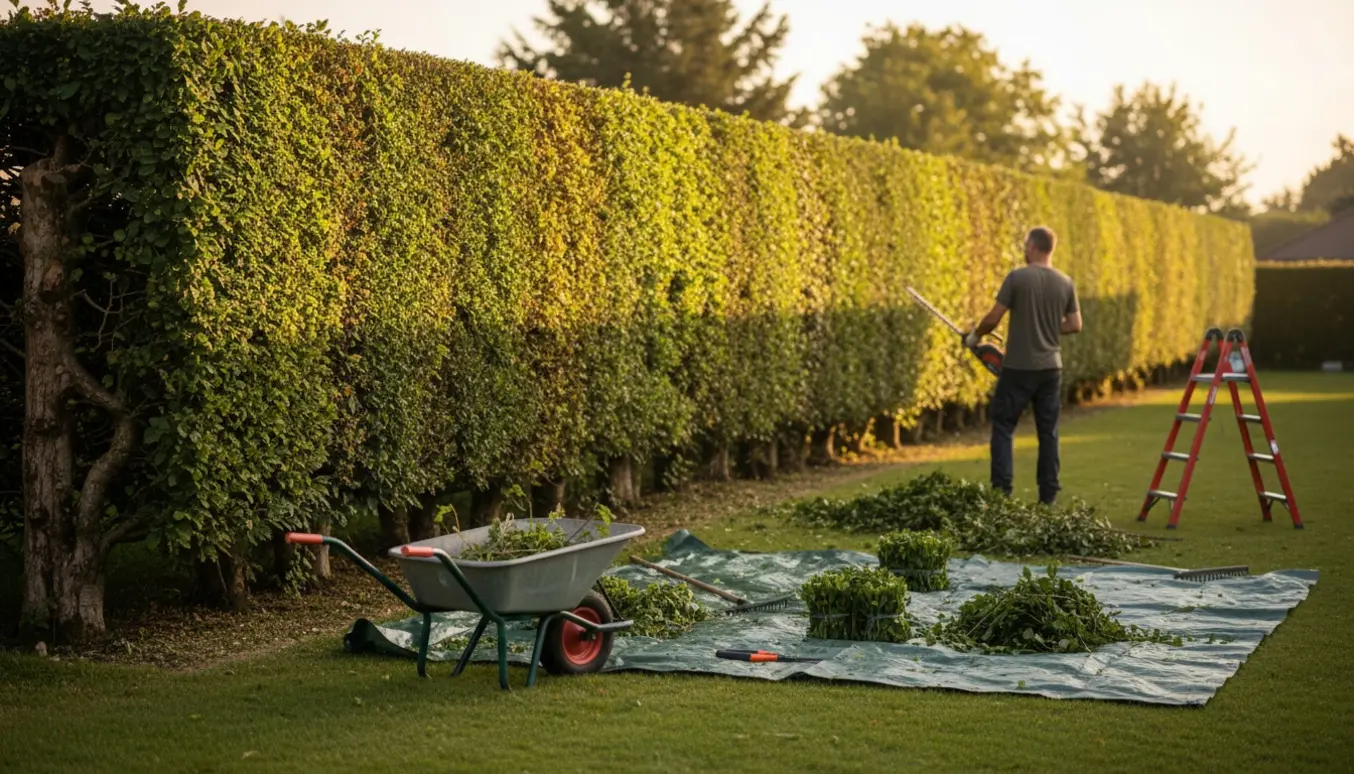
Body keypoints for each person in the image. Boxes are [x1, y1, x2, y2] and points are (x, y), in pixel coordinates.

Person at [965, 226, 1082, 505]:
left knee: (1004, 426)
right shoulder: (1065, 282)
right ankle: (1048, 497)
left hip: (1018, 367)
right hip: (1051, 368)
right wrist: (1047, 326)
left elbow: (994, 318)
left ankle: (1001, 492)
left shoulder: (1017, 278)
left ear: (1033, 247)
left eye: (1025, 245)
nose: (1024, 249)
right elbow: (1075, 324)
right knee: (1048, 433)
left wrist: (974, 337)